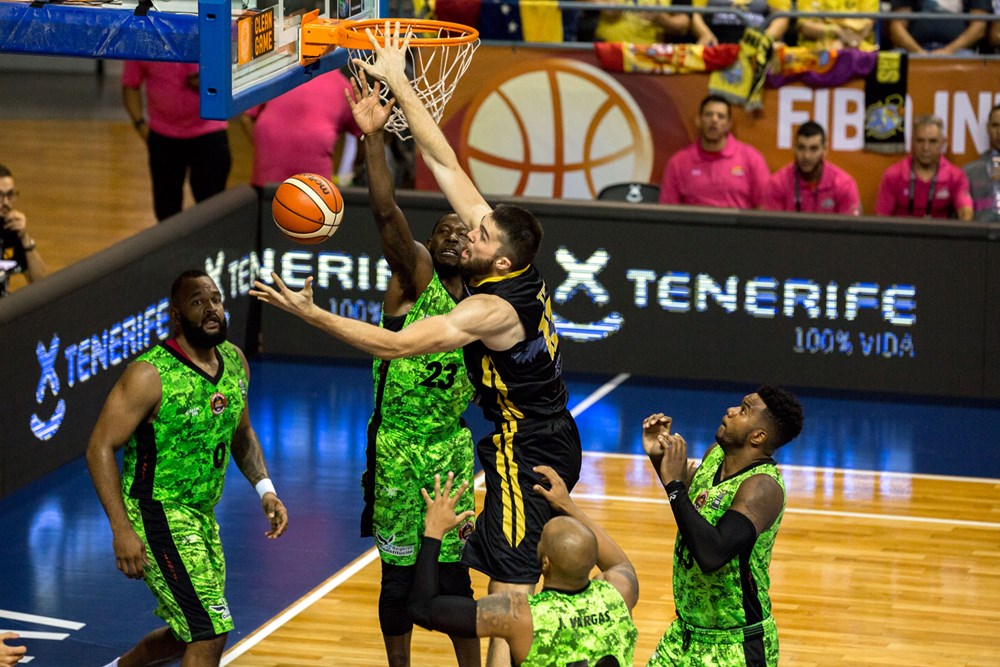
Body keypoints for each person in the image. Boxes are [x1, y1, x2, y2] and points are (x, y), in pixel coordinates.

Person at [251, 23, 583, 667]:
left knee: (509, 591)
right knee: (494, 582)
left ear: (499, 257)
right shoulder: (513, 264)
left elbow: (396, 345)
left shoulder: (490, 308)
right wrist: (399, 82)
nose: (470, 229)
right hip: (536, 432)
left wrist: (311, 314)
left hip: (528, 446)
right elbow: (446, 163)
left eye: (480, 234)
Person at [345, 71, 479, 667]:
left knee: (455, 578)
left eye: (462, 232)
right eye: (441, 231)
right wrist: (374, 138)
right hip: (397, 448)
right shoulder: (416, 275)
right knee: (398, 579)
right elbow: (385, 212)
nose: (452, 236)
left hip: (451, 448)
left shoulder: (487, 303)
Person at [87, 270, 288, 667]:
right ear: (176, 316)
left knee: (188, 632)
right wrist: (121, 529)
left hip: (202, 515)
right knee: (209, 628)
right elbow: (99, 448)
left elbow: (242, 434)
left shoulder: (234, 361)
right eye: (198, 302)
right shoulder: (149, 374)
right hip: (156, 511)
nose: (211, 308)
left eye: (215, 299)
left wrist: (266, 490)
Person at [408, 468, 639, 667]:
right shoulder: (618, 592)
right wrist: (568, 506)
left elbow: (422, 608)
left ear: (545, 562)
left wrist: (434, 532)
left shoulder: (520, 614)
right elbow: (620, 562)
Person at [642, 385, 804, 667]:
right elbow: (691, 507)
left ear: (758, 436)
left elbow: (712, 553)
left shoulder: (762, 488)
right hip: (684, 634)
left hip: (735, 647)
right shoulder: (715, 455)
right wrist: (661, 457)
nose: (731, 411)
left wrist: (674, 485)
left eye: (744, 410)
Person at [122, 62, 232, 221]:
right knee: (166, 211)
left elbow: (236, 77)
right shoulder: (147, 46)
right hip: (163, 135)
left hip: (210, 131)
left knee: (212, 209)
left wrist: (211, 83)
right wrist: (141, 126)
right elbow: (130, 85)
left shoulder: (212, 45)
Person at [240, 68, 361, 188]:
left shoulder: (279, 74)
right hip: (312, 188)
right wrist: (356, 168)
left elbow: (247, 118)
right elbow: (362, 134)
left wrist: (267, 147)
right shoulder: (344, 87)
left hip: (294, 186)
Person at [658, 94, 771, 209]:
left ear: (729, 124)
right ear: (698, 121)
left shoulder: (751, 158)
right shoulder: (678, 162)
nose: (714, 120)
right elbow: (667, 210)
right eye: (708, 115)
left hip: (737, 221)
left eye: (721, 116)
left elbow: (766, 206)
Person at [874, 114, 973, 220]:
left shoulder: (956, 176)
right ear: (912, 142)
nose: (926, 148)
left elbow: (966, 212)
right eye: (920, 141)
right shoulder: (893, 175)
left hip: (938, 230)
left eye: (932, 141)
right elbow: (881, 218)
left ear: (943, 143)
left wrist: (965, 218)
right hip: (901, 230)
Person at [763, 121, 862, 215]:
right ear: (794, 148)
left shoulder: (844, 185)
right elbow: (771, 226)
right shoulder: (777, 184)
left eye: (813, 149)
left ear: (824, 149)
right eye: (801, 148)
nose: (806, 156)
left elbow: (850, 226)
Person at [0, 163, 48, 297]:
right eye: (0, 195)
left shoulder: (10, 228)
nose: (6, 203)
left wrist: (25, 238)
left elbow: (41, 285)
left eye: (10, 195)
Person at [887, 0, 990, 56]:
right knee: (894, 60)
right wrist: (918, 52)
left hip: (958, 51)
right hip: (912, 50)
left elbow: (978, 28)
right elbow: (897, 26)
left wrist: (948, 51)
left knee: (970, 60)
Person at [689, 0, 789, 45]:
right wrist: (705, 34)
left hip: (755, 44)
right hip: (714, 43)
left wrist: (765, 39)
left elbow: (781, 16)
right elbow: (695, 14)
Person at [962, 102, 1000, 221]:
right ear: (988, 128)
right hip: (979, 232)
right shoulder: (969, 172)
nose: (999, 131)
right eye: (995, 125)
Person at [593, 0, 692, 45]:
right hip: (608, 51)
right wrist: (603, 5)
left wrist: (661, 19)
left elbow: (683, 25)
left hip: (650, 56)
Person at [794, 0, 879, 51]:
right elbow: (805, 27)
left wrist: (841, 42)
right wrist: (838, 31)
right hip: (814, 50)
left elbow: (866, 27)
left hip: (858, 48)